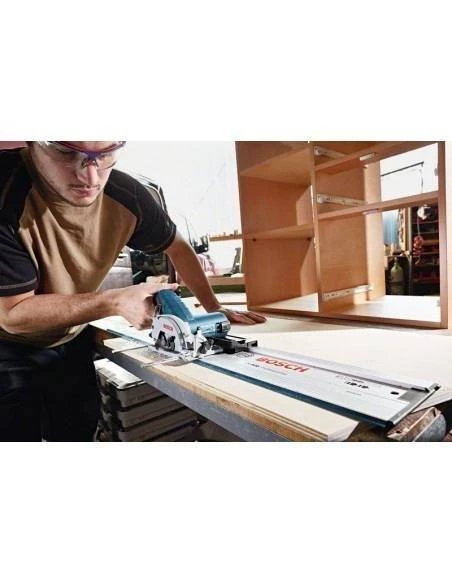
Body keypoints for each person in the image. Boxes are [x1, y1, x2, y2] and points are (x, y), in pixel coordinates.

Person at [0, 141, 266, 442]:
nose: (91, 178)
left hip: (70, 334)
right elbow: (13, 315)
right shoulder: (6, 192)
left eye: (105, 154)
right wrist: (113, 301)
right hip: (7, 342)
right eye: (66, 152)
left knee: (76, 429)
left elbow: (178, 247)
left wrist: (213, 308)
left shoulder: (128, 195)